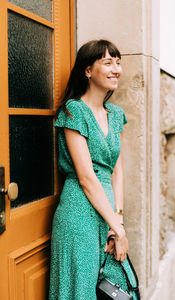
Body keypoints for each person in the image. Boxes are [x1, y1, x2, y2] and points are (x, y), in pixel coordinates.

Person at [49, 39, 137, 300]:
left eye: (118, 63)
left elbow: (117, 171)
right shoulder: (74, 110)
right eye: (107, 62)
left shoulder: (115, 113)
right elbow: (87, 177)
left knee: (110, 290)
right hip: (79, 213)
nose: (116, 69)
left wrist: (116, 221)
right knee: (79, 291)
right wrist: (119, 229)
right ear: (88, 71)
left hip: (107, 212)